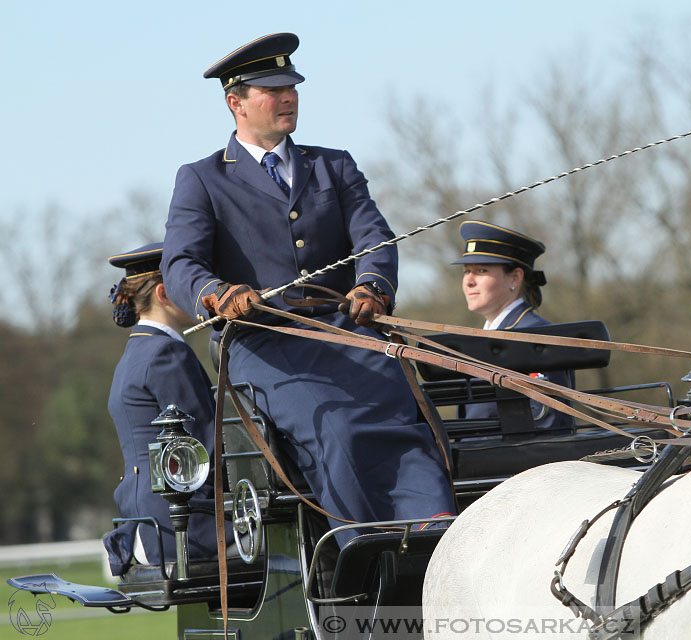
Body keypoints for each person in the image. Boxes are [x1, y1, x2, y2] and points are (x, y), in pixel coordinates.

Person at [160, 33, 456, 545]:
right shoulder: (202, 179)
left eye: (292, 85)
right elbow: (180, 262)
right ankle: (364, 553)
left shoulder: (334, 165)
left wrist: (373, 286)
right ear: (236, 102)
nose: (288, 96)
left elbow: (374, 237)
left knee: (407, 419)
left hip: (348, 335)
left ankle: (437, 544)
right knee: (337, 429)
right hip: (265, 347)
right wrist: (217, 294)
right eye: (272, 89)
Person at [102, 243, 219, 575]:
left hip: (147, 526)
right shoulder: (168, 355)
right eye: (189, 285)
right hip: (184, 530)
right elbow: (205, 448)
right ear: (166, 293)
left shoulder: (135, 353)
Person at [453, 221, 575, 431]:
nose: (469, 281)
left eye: (481, 270)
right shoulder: (489, 335)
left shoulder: (534, 334)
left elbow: (546, 422)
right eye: (466, 271)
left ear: (515, 278)